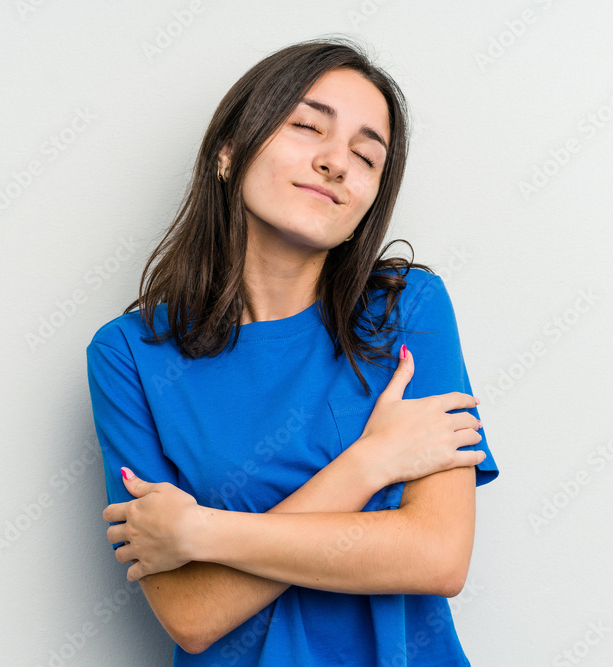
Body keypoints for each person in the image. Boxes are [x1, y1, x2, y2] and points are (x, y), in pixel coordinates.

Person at [86, 35, 500, 666]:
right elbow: (191, 616)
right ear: (229, 152)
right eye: (307, 127)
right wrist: (370, 463)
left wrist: (201, 532)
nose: (338, 163)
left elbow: (437, 555)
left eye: (367, 157)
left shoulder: (406, 310)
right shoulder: (129, 356)